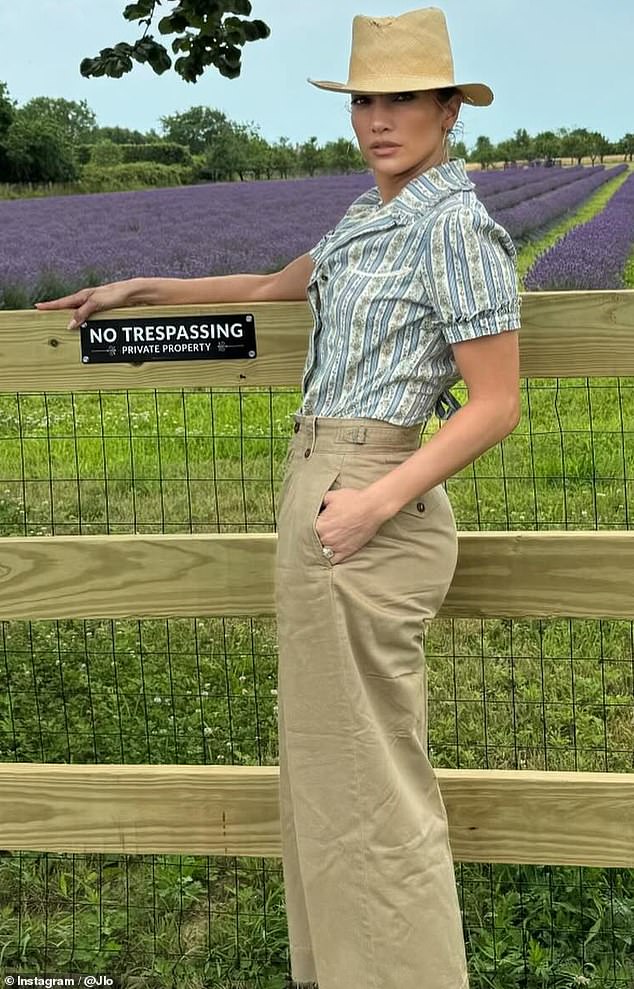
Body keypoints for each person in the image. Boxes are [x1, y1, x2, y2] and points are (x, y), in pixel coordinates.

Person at [35, 8, 522, 987]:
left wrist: (374, 503)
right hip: (321, 494)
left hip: (367, 505)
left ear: (445, 110)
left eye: (403, 99)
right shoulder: (365, 216)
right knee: (325, 780)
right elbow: (272, 284)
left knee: (374, 792)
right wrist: (142, 285)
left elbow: (496, 404)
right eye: (366, 100)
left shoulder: (456, 228)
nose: (380, 119)